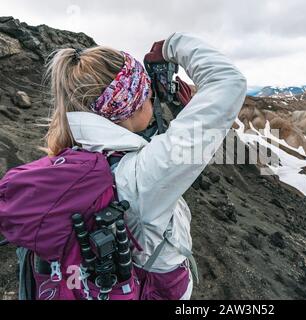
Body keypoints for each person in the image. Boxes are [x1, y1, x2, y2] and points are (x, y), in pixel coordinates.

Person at [42, 32, 247, 300]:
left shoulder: (77, 154)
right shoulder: (143, 176)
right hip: (159, 287)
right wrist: (174, 45)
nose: (152, 95)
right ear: (131, 104)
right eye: (147, 91)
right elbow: (229, 82)